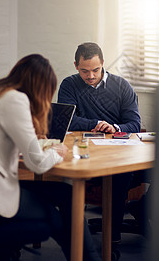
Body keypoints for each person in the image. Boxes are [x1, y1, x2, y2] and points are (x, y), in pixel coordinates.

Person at [0, 54, 101, 261]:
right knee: (58, 220)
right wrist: (57, 151)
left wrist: (29, 142)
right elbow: (38, 164)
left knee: (65, 192)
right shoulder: (15, 99)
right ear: (41, 86)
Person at [58, 42, 141, 243]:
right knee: (121, 176)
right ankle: (112, 240)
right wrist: (95, 124)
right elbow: (65, 119)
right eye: (84, 71)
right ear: (76, 66)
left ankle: (137, 208)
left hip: (121, 152)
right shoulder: (69, 85)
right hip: (89, 157)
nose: (91, 76)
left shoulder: (122, 86)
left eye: (96, 69)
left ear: (103, 63)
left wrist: (115, 128)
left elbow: (135, 124)